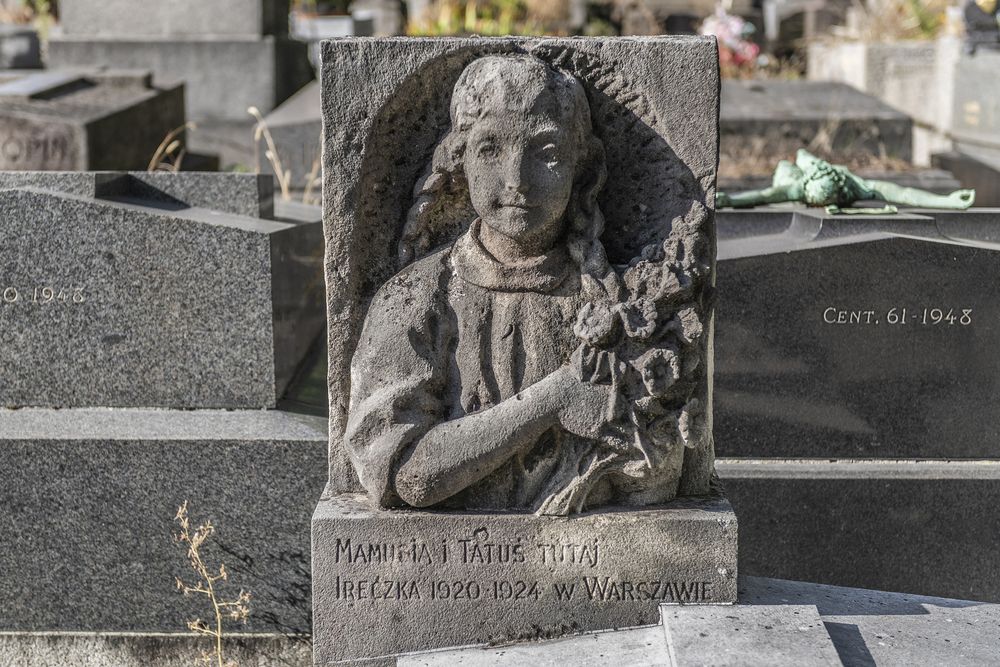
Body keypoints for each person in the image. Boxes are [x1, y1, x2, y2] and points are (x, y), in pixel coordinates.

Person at [345, 54, 696, 515]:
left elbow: (658, 482)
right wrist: (553, 400)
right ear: (459, 158)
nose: (516, 180)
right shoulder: (413, 301)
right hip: (444, 565)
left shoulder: (614, 307)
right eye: (490, 149)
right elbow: (405, 476)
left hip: (588, 568)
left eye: (545, 154)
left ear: (583, 166)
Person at [716, 149, 975, 211]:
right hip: (802, 174)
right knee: (795, 159)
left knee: (794, 161)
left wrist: (948, 200)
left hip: (800, 175)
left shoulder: (797, 186)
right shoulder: (802, 182)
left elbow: (904, 193)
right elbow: (763, 196)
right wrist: (729, 199)